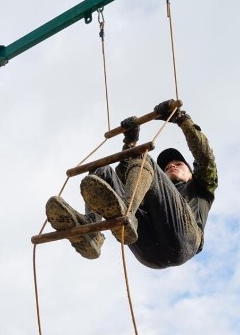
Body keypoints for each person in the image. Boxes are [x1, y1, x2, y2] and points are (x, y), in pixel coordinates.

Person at [44, 105, 218, 269]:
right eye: (166, 167)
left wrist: (181, 119)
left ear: (191, 173)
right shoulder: (149, 187)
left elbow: (205, 158)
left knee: (143, 159)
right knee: (103, 171)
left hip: (183, 240)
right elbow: (121, 184)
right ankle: (92, 233)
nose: (172, 166)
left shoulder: (200, 186)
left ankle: (126, 215)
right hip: (147, 251)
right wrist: (130, 143)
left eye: (179, 164)